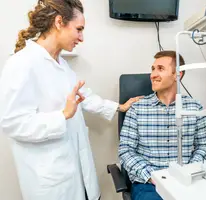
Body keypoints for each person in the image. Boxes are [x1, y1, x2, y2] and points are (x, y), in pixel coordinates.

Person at [0, 1, 142, 200]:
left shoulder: (61, 65)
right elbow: (13, 123)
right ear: (59, 22)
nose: (81, 38)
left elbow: (85, 98)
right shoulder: (22, 63)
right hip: (50, 182)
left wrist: (120, 107)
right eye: (79, 29)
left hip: (76, 173)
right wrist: (62, 116)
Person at [118, 50, 206, 200]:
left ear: (177, 75)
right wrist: (152, 177)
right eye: (153, 69)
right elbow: (125, 151)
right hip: (149, 184)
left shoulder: (195, 108)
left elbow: (204, 146)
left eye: (160, 69)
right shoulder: (137, 109)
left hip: (188, 180)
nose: (153, 75)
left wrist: (190, 171)